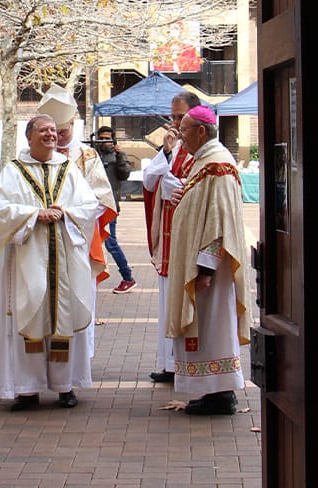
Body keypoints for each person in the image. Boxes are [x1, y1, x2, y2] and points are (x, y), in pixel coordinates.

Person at [0, 114, 99, 412]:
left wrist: (64, 211)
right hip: (27, 260)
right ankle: (27, 388)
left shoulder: (68, 169)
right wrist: (33, 215)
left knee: (63, 314)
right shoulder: (13, 172)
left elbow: (88, 205)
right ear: (29, 137)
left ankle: (65, 386)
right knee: (29, 313)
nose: (51, 135)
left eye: (53, 130)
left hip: (64, 259)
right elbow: (0, 208)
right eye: (43, 130)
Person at [165, 105, 253, 415]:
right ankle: (209, 392)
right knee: (204, 328)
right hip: (200, 265)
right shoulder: (204, 161)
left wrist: (205, 267)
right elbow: (202, 207)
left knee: (213, 327)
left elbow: (221, 223)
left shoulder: (219, 165)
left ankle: (221, 394)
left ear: (202, 131)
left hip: (208, 269)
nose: (180, 135)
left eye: (185, 129)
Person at [37, 84, 118, 357]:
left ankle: (78, 364)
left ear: (73, 123)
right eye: (52, 131)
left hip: (78, 239)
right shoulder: (35, 157)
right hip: (41, 241)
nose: (57, 137)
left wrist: (67, 215)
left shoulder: (87, 155)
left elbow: (102, 199)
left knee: (77, 300)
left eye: (63, 131)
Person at [142, 91, 201, 383]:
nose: (175, 123)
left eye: (180, 117)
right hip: (169, 239)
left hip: (190, 242)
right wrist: (165, 154)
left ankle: (182, 365)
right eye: (173, 117)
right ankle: (169, 363)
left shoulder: (204, 150)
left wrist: (177, 187)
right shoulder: (173, 145)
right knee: (168, 303)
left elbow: (203, 188)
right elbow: (149, 179)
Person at [93, 126, 137, 294]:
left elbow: (125, 173)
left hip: (109, 206)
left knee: (111, 243)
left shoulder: (116, 156)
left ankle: (127, 277)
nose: (104, 142)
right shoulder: (93, 154)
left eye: (107, 139)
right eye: (101, 139)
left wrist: (121, 154)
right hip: (93, 207)